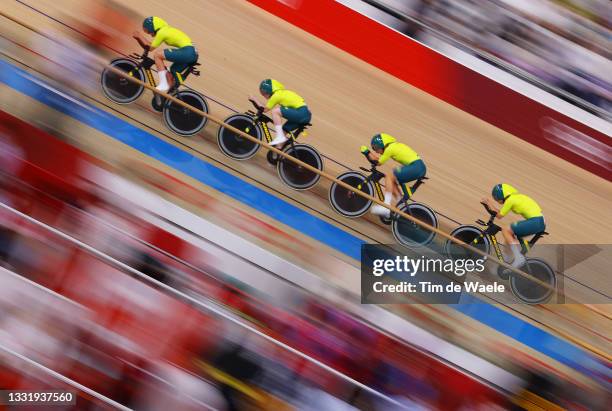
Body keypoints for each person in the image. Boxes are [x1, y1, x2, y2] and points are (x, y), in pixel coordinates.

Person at [360, 133, 426, 218]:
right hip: (417, 167)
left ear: (382, 145)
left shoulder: (390, 148)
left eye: (376, 148)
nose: (376, 151)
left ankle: (386, 207)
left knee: (389, 176)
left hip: (416, 167)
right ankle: (401, 207)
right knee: (392, 180)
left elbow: (377, 162)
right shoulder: (393, 146)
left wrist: (367, 152)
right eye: (373, 149)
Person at [482, 183, 545, 268]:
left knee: (505, 230)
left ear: (501, 196)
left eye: (496, 198)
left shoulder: (510, 200)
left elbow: (499, 215)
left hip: (536, 221)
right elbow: (499, 212)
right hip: (538, 221)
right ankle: (508, 260)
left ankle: (518, 257)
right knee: (509, 235)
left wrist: (488, 203)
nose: (497, 200)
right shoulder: (515, 197)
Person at [132, 16, 198, 93]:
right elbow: (147, 46)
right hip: (191, 53)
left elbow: (150, 48)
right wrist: (139, 39)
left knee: (157, 55)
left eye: (149, 32)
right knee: (169, 76)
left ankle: (163, 84)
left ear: (154, 28)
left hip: (188, 51)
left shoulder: (162, 32)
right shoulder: (165, 29)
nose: (150, 34)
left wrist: (139, 36)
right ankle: (167, 99)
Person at [249, 79, 312, 146]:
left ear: (269, 90)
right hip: (304, 114)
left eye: (264, 92)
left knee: (275, 112)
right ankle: (277, 150)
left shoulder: (276, 95)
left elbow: (264, 109)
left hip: (301, 113)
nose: (263, 95)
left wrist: (254, 99)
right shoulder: (281, 93)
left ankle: (279, 136)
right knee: (282, 133)